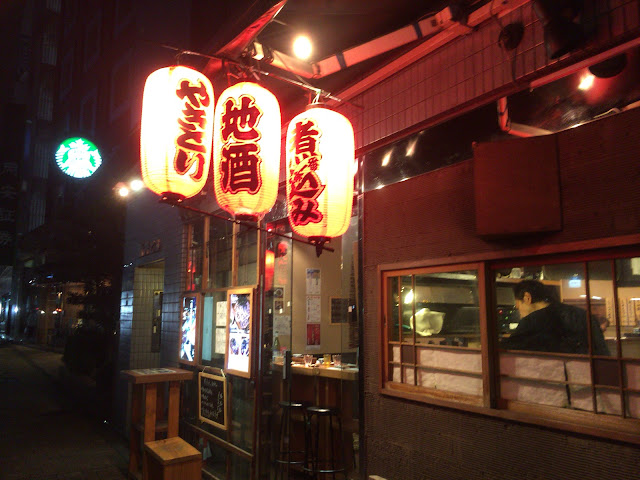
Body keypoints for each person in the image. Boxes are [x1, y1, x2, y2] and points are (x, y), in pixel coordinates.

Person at [500, 279, 609, 355]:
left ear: (527, 298)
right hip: (588, 378)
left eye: (518, 305)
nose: (519, 312)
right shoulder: (582, 315)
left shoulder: (531, 322)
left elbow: (507, 351)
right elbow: (601, 351)